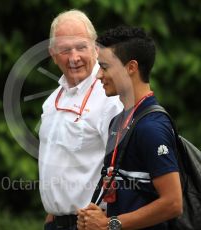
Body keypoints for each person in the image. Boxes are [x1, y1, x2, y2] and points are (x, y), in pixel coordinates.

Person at [77, 26, 182, 230]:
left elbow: (173, 203)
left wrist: (110, 224)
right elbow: (131, 195)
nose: (98, 75)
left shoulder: (151, 127)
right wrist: (96, 216)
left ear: (131, 67)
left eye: (105, 67)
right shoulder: (117, 121)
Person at [38, 10, 122, 230]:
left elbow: (124, 169)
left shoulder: (109, 98)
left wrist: (108, 221)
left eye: (81, 47)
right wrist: (53, 214)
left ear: (95, 48)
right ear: (52, 53)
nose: (74, 57)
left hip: (91, 225)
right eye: (65, 49)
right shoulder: (51, 102)